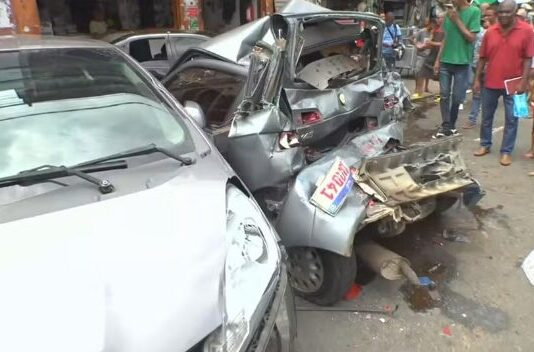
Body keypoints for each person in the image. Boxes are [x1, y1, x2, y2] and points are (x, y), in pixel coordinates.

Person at [473, 0, 534, 166]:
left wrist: (524, 81)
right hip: (491, 81)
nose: (504, 15)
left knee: (512, 119)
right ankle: (485, 144)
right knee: (486, 116)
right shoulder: (491, 31)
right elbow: (483, 58)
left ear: (515, 12)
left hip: (514, 84)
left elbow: (528, 58)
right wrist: (477, 79)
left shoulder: (527, 31)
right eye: (501, 12)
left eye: (508, 12)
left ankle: (506, 151)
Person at [432, 0, 481, 138]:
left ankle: (452, 124)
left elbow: (471, 38)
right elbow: (446, 38)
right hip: (446, 61)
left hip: (462, 62)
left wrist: (456, 19)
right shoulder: (449, 13)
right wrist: (437, 60)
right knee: (444, 94)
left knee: (458, 97)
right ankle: (446, 125)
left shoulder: (474, 11)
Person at [463, 5, 498, 129]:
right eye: (485, 17)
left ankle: (486, 121)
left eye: (489, 16)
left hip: (492, 70)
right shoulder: (481, 32)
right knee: (476, 94)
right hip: (476, 66)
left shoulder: (498, 32)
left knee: (488, 98)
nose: (486, 19)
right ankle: (472, 119)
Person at [411, 20, 433, 99]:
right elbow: (412, 39)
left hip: (429, 55)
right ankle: (417, 89)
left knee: (426, 73)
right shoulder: (421, 32)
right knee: (418, 72)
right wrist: (417, 45)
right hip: (421, 55)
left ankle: (424, 89)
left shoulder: (432, 33)